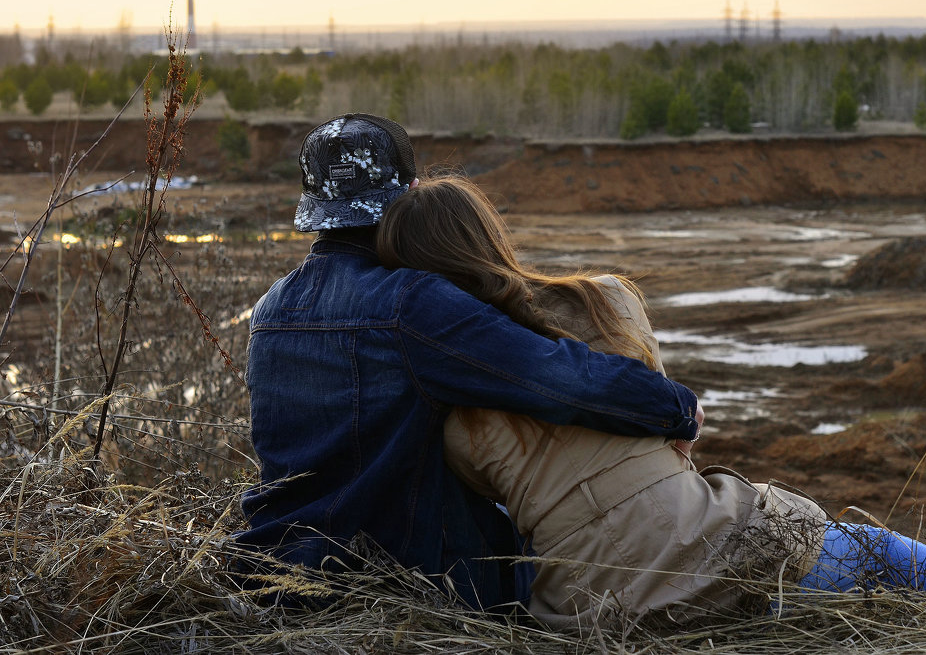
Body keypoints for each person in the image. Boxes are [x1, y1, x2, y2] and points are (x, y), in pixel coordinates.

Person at [375, 175, 926, 629]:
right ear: (490, 236)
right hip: (711, 555)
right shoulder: (605, 299)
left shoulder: (447, 404)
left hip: (589, 607)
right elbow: (679, 440)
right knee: (882, 553)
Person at [237, 113, 701, 610]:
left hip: (275, 562)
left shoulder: (270, 308)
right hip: (393, 575)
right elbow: (559, 377)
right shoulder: (409, 303)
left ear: (314, 204)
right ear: (410, 191)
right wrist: (676, 408)